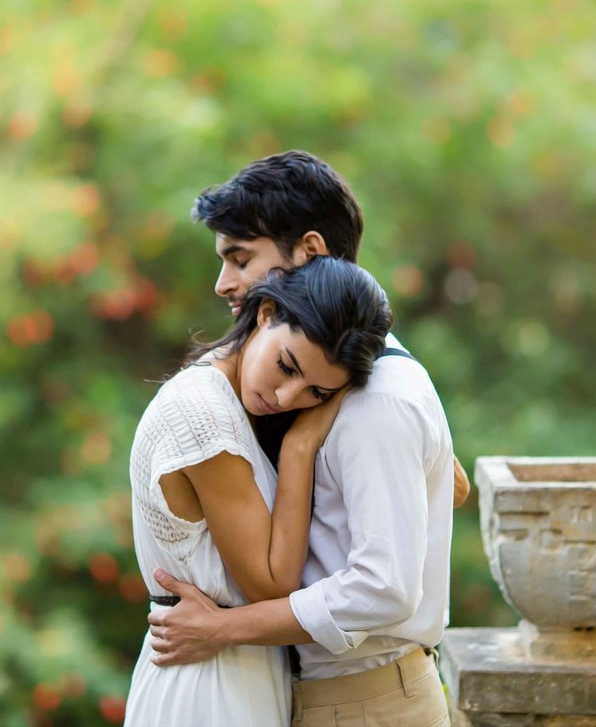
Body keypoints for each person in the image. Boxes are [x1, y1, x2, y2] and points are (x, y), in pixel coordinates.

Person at [147, 150, 458, 726]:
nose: (223, 283)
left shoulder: (373, 396)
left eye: (241, 259)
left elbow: (386, 585)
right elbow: (449, 483)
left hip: (366, 698)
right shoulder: (328, 379)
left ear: (309, 253)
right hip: (321, 691)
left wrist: (223, 630)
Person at [127, 256, 395, 727]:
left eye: (319, 393)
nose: (288, 397)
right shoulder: (204, 416)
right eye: (287, 366)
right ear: (267, 312)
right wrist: (300, 446)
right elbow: (271, 585)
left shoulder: (234, 404)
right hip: (206, 684)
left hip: (235, 668)